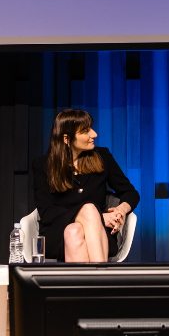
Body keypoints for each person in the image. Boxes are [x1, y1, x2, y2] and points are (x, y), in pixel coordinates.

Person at [32, 108, 140, 262]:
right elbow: (47, 212)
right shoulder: (43, 165)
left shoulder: (102, 157)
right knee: (87, 212)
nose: (94, 134)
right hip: (57, 233)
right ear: (66, 139)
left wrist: (120, 211)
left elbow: (130, 193)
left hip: (99, 234)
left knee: (74, 231)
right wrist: (97, 217)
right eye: (85, 131)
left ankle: (92, 277)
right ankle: (102, 273)